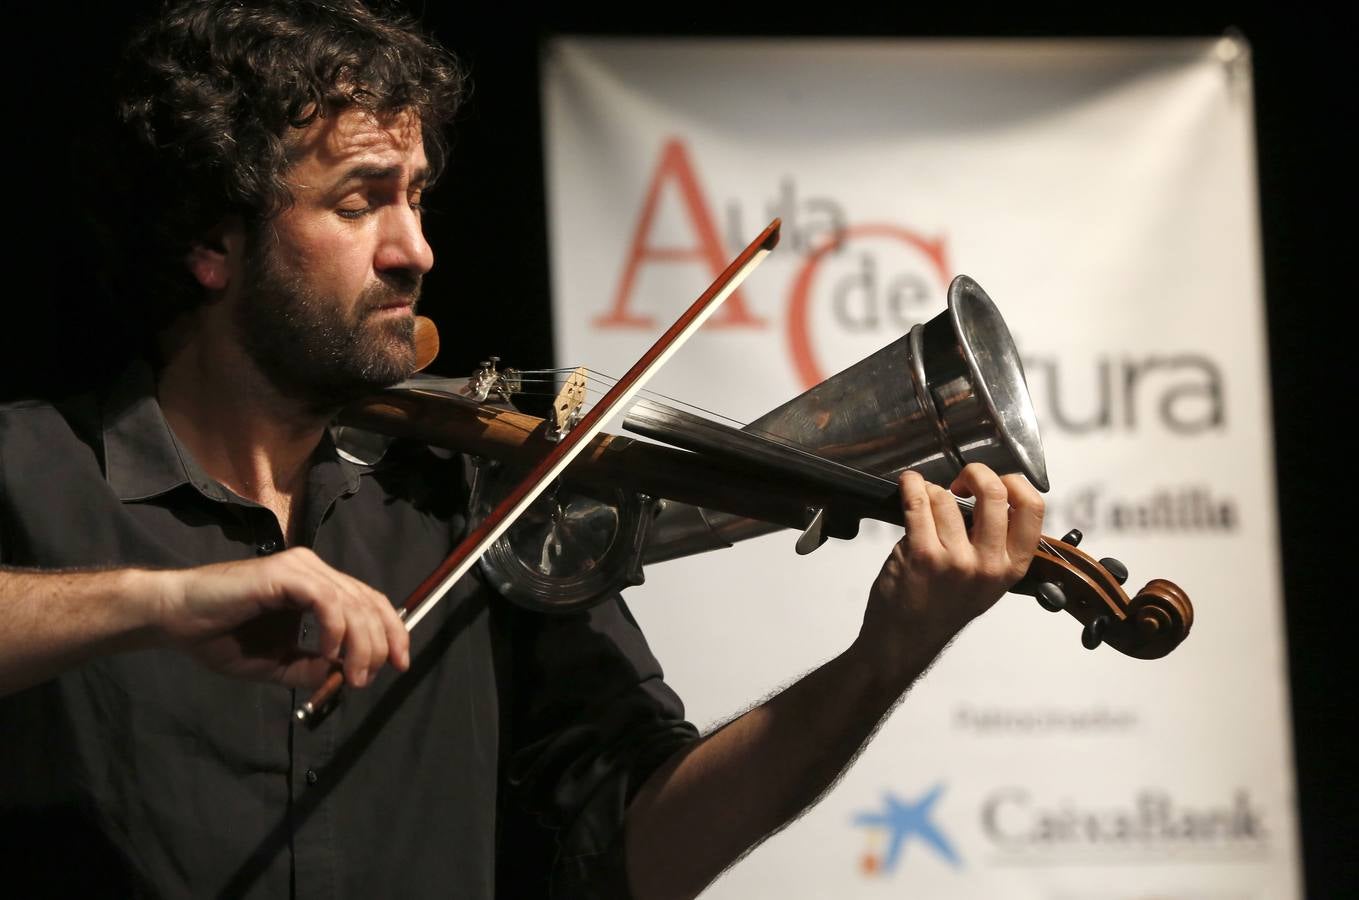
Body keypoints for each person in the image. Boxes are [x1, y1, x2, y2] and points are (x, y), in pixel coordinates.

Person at [0, 2, 1045, 898]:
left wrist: (884, 656)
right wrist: (161, 602)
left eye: (416, 198)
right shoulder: (28, 472)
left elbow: (643, 846)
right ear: (210, 242)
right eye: (361, 201)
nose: (416, 249)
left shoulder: (473, 501)